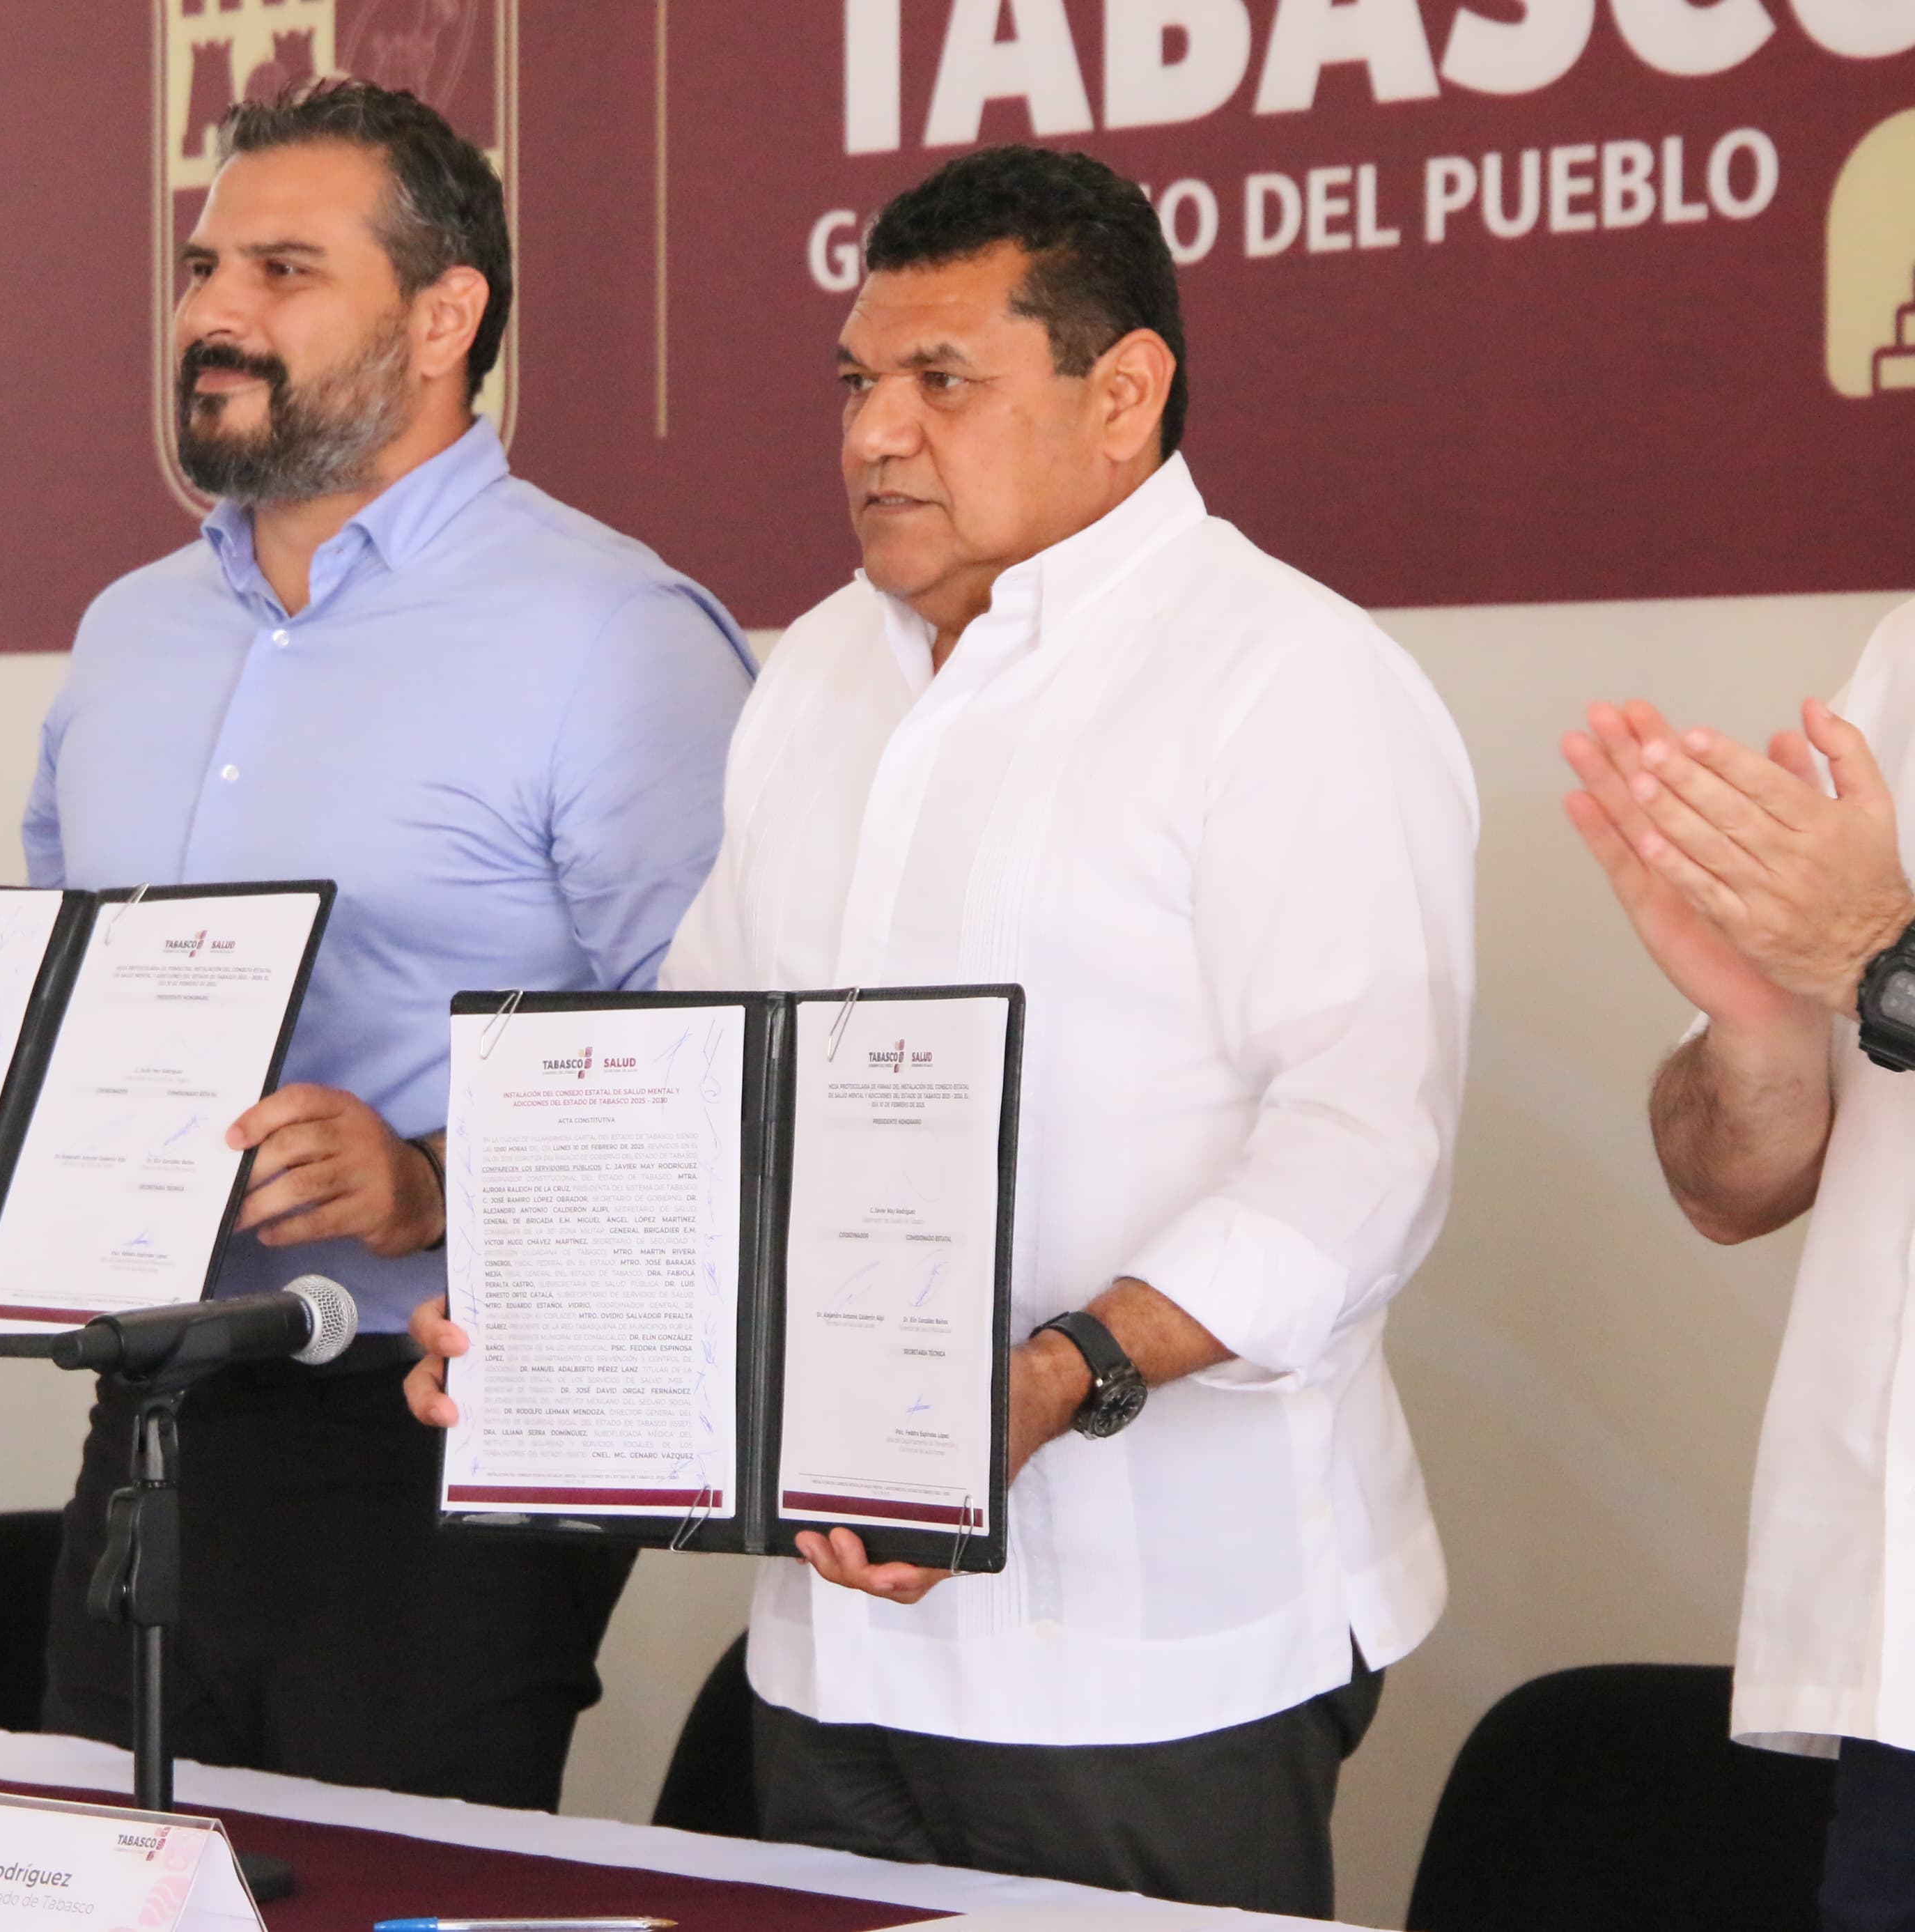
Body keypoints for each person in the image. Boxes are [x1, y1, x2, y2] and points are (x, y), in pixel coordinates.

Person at [410, 146, 1476, 1915]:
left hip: (1161, 1648)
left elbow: (1366, 1148)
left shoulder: (1289, 679)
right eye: (855, 381)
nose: (872, 434)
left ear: (1121, 394)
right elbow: (707, 1066)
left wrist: (1054, 1375)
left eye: (941, 382)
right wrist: (539, 1303)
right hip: (836, 1640)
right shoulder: (821, 668)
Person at [0, 80, 751, 1807]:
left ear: (443, 316)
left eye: (282, 268)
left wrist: (433, 1177)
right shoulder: (129, 635)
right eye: (199, 267)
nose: (213, 315)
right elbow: (60, 1017)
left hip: (438, 1425)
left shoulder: (610, 635)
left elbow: (721, 1068)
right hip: (156, 1402)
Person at [1559, 603, 1915, 1932]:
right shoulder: (1908, 652)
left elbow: (1885, 969)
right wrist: (1759, 1031)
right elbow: (1729, 1185)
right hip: (1897, 1687)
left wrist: (1881, 959)